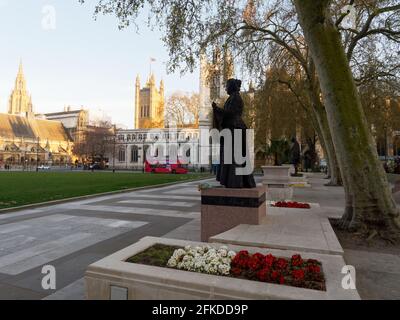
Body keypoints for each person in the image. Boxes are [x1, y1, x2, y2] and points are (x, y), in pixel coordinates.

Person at [212, 78, 256, 189]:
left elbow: (230, 113)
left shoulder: (236, 98)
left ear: (232, 86)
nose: (226, 88)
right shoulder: (232, 98)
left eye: (227, 86)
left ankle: (236, 182)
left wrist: (217, 109)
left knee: (234, 157)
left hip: (235, 128)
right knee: (232, 157)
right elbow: (228, 113)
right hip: (232, 128)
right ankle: (233, 181)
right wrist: (218, 110)